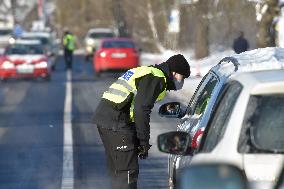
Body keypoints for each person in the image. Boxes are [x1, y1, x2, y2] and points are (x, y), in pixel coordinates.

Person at [93, 54, 191, 189]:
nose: (182, 81)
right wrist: (143, 141)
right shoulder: (156, 78)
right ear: (174, 72)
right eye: (183, 77)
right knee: (127, 172)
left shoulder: (148, 71)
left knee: (117, 170)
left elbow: (135, 107)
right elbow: (141, 110)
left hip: (107, 119)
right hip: (117, 121)